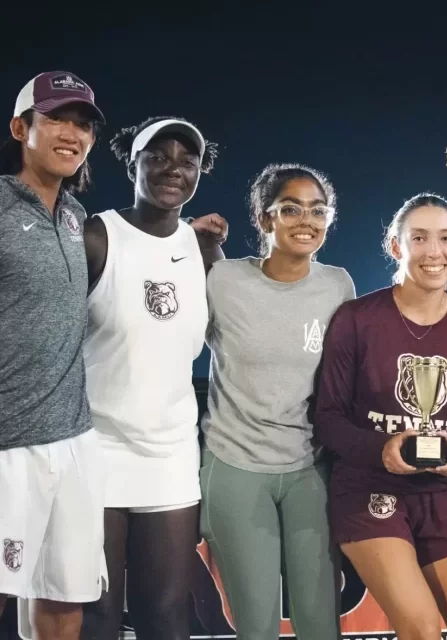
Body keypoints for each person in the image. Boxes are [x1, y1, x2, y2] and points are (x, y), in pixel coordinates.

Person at [315, 193, 447, 640]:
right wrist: (384, 449)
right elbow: (329, 417)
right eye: (419, 238)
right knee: (419, 627)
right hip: (370, 488)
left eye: (445, 239)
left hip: (444, 491)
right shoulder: (356, 319)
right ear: (396, 246)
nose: (434, 252)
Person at [78, 116, 223, 640]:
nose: (173, 169)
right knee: (96, 613)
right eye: (158, 156)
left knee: (164, 614)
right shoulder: (97, 236)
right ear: (131, 163)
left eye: (188, 161)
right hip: (94, 450)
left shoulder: (204, 249)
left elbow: (230, 341)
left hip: (169, 454)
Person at [199, 163, 355, 640]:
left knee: (319, 620)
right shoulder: (222, 280)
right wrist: (203, 240)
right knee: (257, 622)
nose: (305, 220)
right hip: (236, 464)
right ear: (264, 219)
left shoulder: (338, 286)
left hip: (311, 467)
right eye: (290, 209)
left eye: (317, 210)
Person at [0, 70, 107, 640]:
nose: (72, 133)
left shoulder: (75, 218)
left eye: (83, 123)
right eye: (57, 118)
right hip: (6, 444)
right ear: (21, 127)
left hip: (74, 441)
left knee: (65, 600)